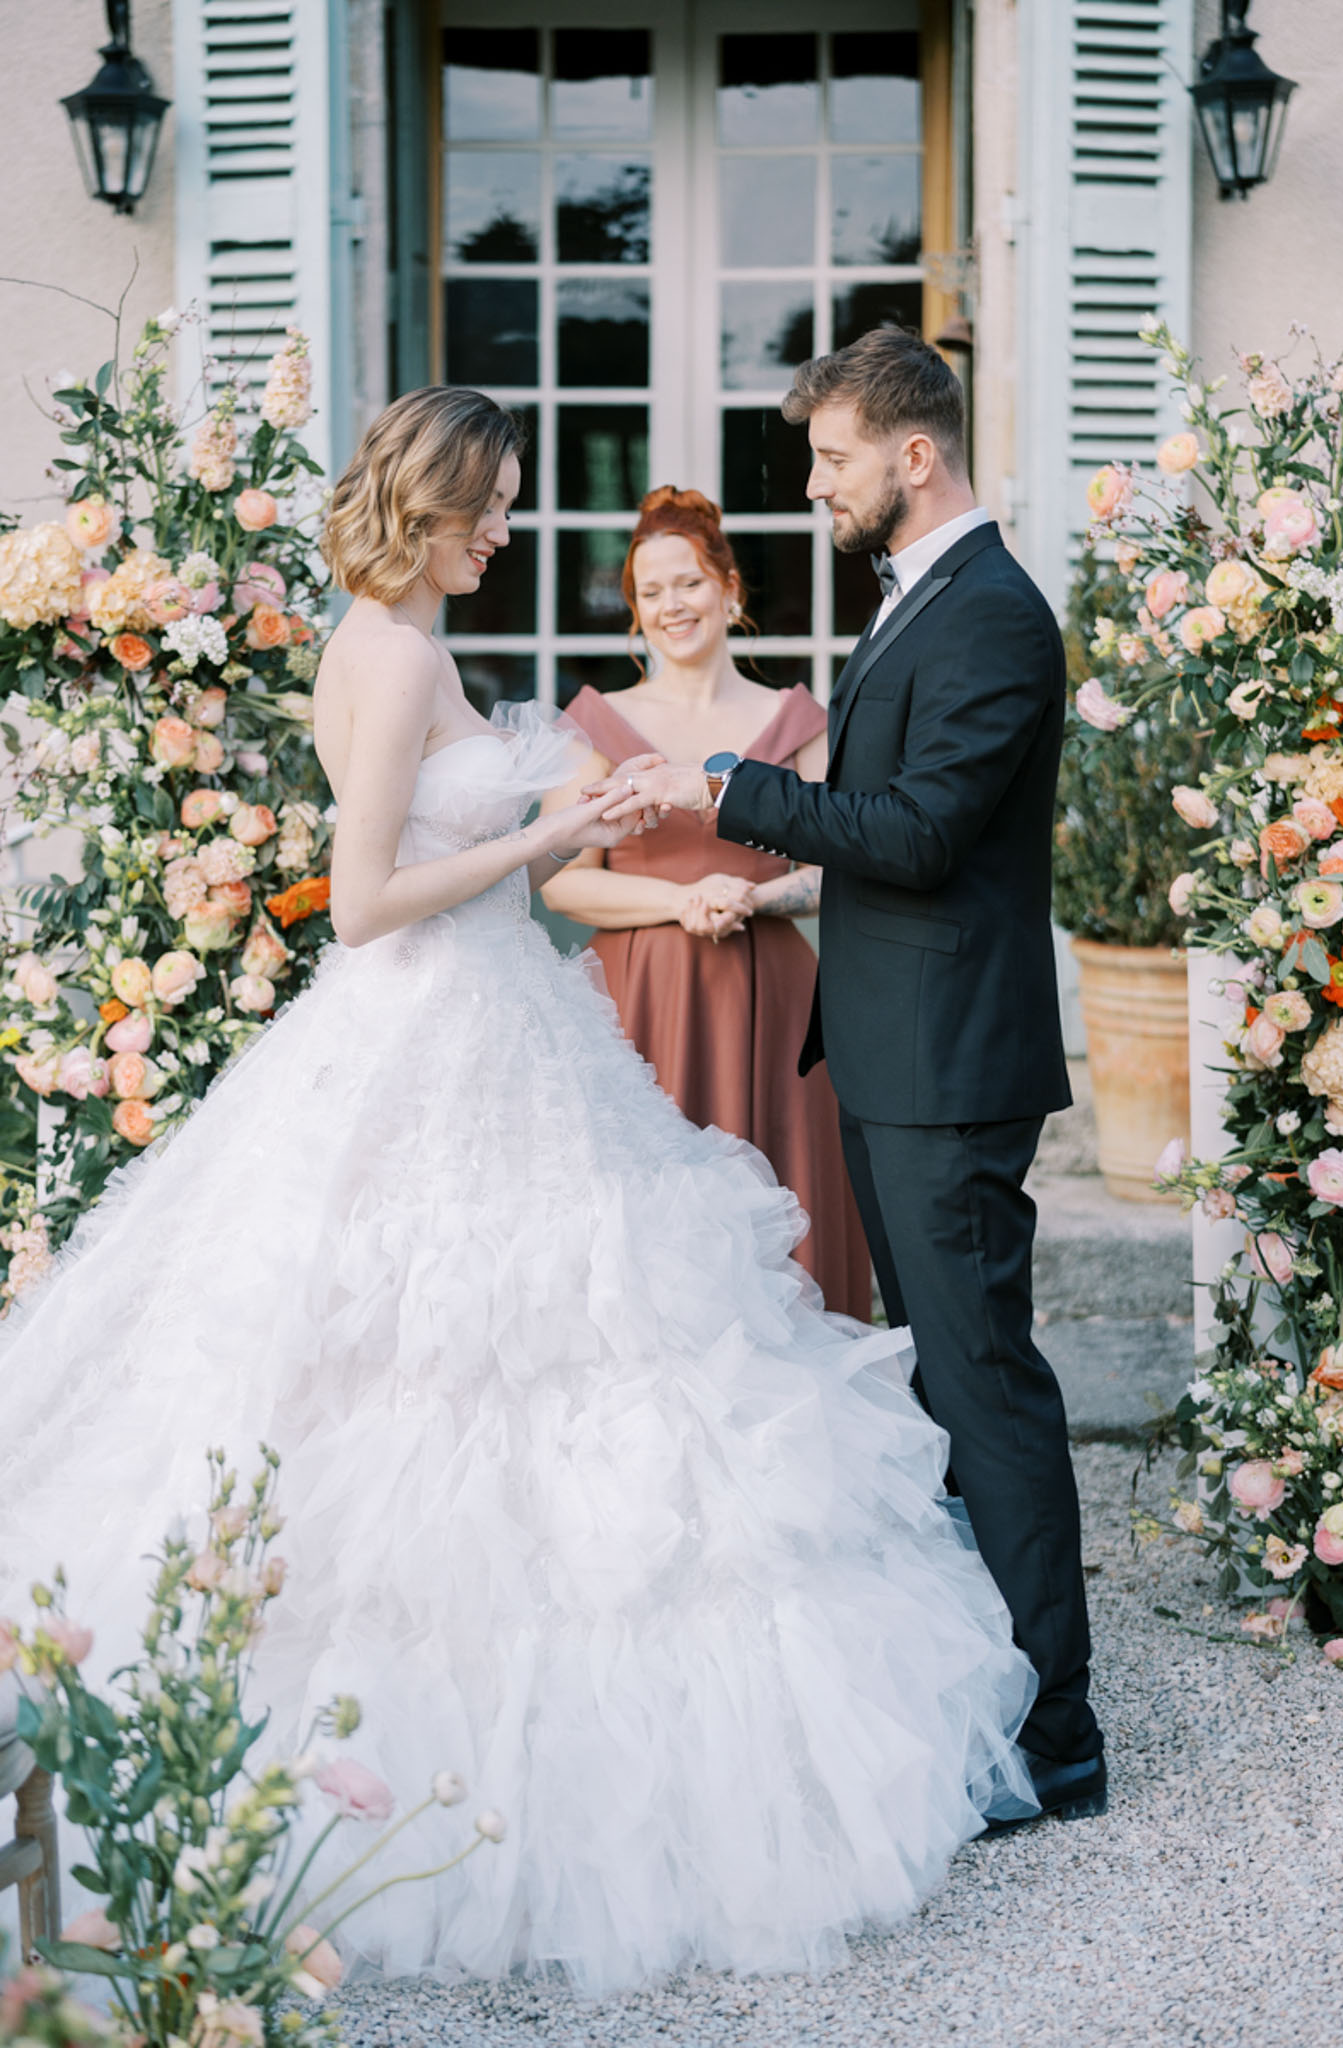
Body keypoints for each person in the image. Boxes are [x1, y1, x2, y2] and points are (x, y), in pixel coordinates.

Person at [0, 383, 1038, 1997]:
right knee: (452, 1365)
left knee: (512, 1362)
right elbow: (362, 904)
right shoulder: (396, 651)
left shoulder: (388, 640)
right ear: (430, 503)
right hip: (436, 1024)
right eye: (489, 506)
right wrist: (542, 836)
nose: (506, 530)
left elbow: (441, 826)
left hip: (482, 1029)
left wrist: (573, 813)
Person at [592, 326, 1107, 1829]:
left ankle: (1057, 1733)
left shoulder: (993, 617)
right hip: (894, 1056)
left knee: (982, 1383)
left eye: (829, 457)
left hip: (949, 1067)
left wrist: (730, 792)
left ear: (913, 453)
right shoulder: (919, 604)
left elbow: (919, 834)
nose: (812, 483)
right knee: (938, 1386)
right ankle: (987, 1690)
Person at [544, 485, 870, 1319]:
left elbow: (843, 863)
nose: (670, 606)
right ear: (632, 613)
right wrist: (679, 897)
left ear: (729, 590)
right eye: (648, 592)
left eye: (686, 583)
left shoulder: (795, 721)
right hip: (636, 1009)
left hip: (777, 1008)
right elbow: (564, 878)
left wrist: (753, 900)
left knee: (784, 1224)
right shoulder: (594, 726)